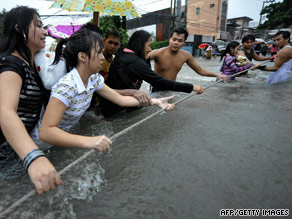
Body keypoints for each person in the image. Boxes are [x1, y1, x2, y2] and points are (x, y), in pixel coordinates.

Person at [38, 29, 175, 149]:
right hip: (40, 145)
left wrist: (155, 101)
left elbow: (121, 100)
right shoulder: (67, 86)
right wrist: (90, 141)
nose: (103, 57)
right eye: (98, 53)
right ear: (82, 57)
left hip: (62, 139)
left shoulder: (93, 79)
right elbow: (46, 132)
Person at [0, 6, 62, 195]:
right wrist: (33, 157)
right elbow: (5, 111)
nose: (45, 32)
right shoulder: (11, 64)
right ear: (19, 30)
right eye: (38, 26)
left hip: (15, 152)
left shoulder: (31, 64)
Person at [100, 30, 204, 117]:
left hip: (109, 102)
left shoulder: (122, 54)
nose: (150, 49)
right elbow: (159, 82)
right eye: (149, 45)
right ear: (140, 44)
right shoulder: (135, 62)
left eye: (180, 41)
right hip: (116, 107)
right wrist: (191, 87)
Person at [149, 28, 226, 92]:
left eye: (180, 41)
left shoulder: (186, 55)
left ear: (184, 43)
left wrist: (217, 75)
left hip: (173, 89)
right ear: (170, 39)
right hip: (156, 89)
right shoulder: (158, 53)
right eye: (174, 39)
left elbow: (200, 70)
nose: (176, 43)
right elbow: (140, 62)